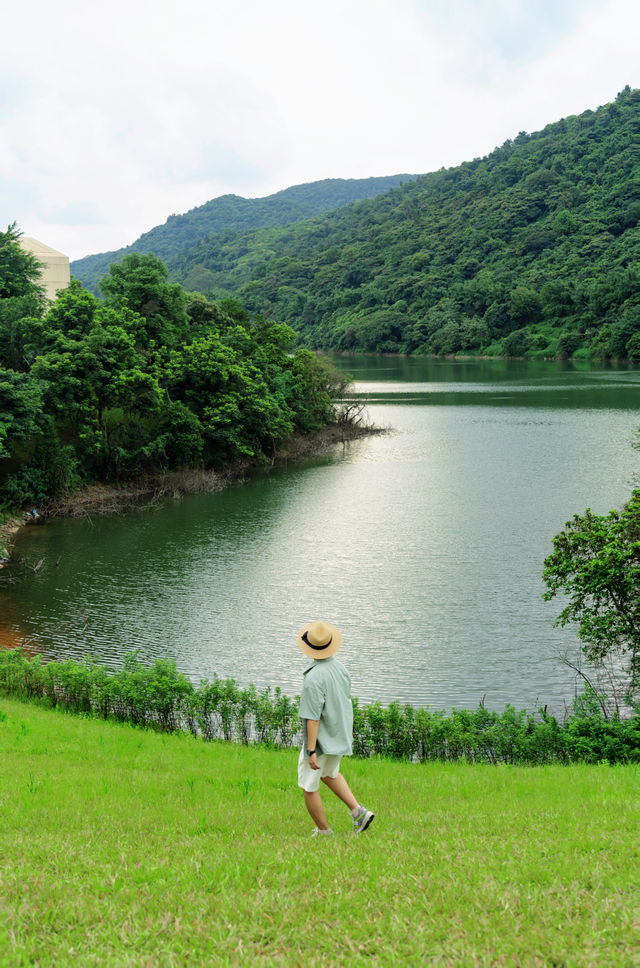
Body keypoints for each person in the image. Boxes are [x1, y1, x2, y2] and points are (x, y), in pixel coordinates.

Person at [297, 620, 374, 837]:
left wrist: (311, 751)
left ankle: (323, 832)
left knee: (308, 784)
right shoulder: (340, 669)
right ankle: (359, 813)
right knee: (330, 773)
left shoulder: (313, 678)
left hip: (321, 741)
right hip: (339, 735)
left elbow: (312, 718)